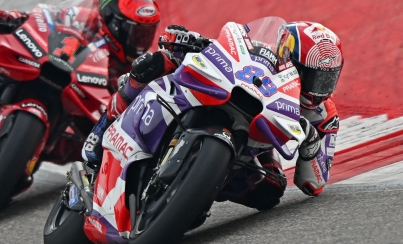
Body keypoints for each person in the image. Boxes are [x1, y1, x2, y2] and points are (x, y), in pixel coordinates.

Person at [82, 21, 343, 211]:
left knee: (271, 191)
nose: (319, 87)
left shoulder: (323, 113)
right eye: (313, 75)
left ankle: (197, 193)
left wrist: (311, 144)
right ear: (288, 54)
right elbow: (226, 48)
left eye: (327, 79)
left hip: (257, 144)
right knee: (156, 62)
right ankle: (102, 130)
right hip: (224, 98)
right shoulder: (263, 52)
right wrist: (188, 39)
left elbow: (314, 183)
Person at [0, 0, 161, 144]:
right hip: (49, 68)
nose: (138, 41)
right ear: (111, 19)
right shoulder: (82, 17)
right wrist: (14, 18)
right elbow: (43, 16)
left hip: (78, 123)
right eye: (134, 32)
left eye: (145, 34)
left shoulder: (138, 65)